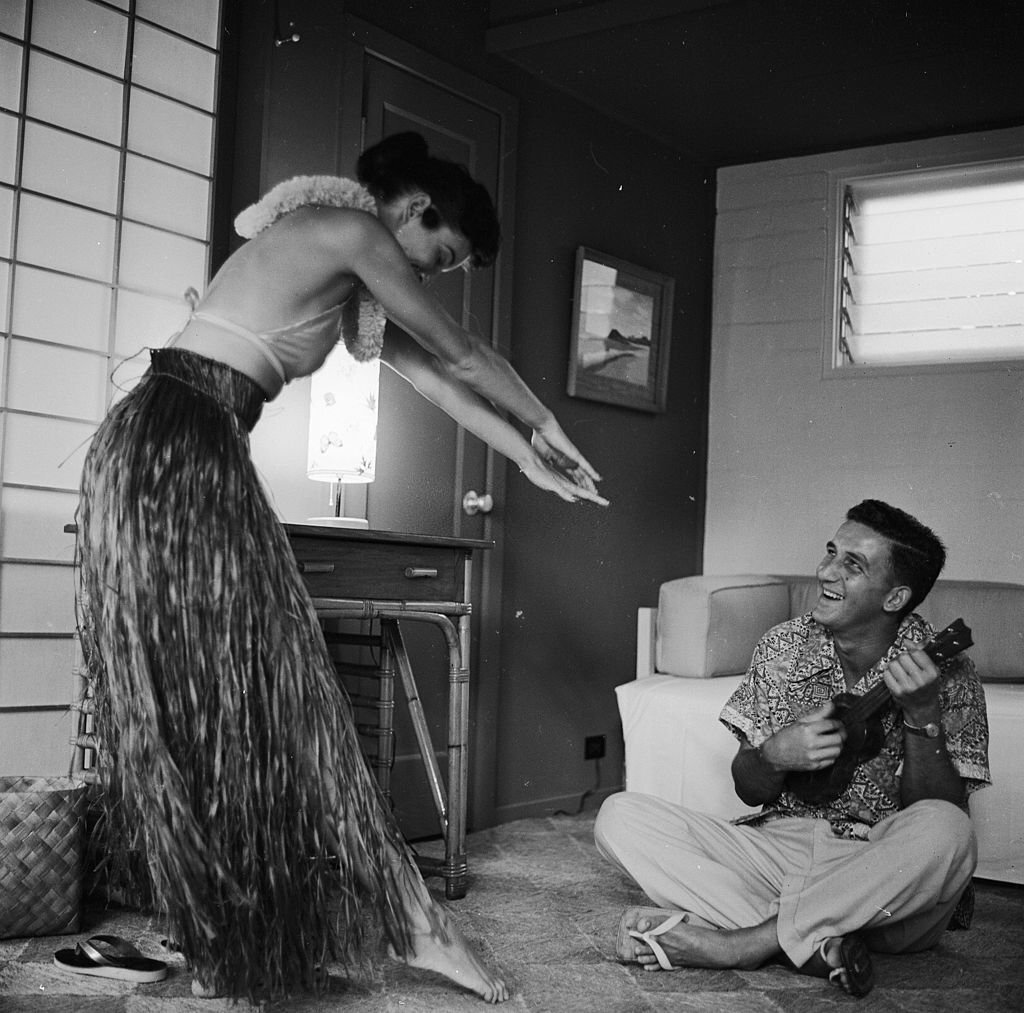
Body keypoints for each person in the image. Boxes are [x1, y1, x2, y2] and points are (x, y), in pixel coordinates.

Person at [75, 131, 607, 1004]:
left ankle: (230, 939)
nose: (431, 275)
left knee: (240, 703)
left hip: (175, 445)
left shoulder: (350, 267)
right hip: (180, 440)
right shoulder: (346, 228)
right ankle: (395, 924)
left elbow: (436, 378)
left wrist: (528, 456)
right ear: (413, 212)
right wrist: (551, 426)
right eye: (441, 257)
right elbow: (467, 353)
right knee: (259, 698)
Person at [595, 500, 989, 998]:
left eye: (853, 564)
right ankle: (820, 942)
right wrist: (772, 755)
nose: (825, 571)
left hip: (881, 871)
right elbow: (747, 788)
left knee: (949, 829)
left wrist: (922, 716)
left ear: (895, 598)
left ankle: (743, 943)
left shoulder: (947, 673)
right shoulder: (782, 647)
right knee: (619, 816)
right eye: (831, 552)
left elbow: (937, 808)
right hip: (781, 852)